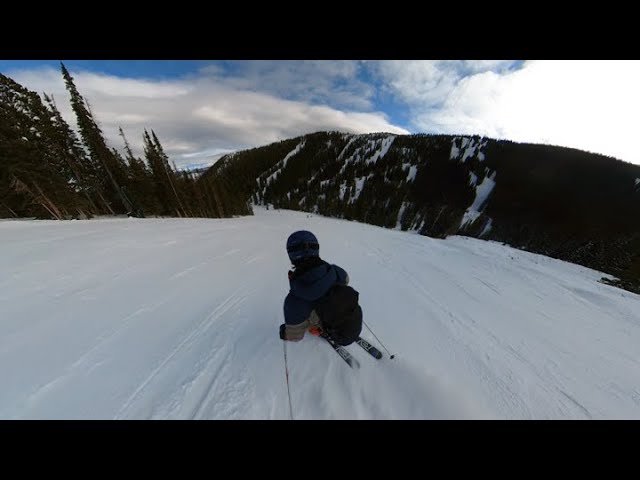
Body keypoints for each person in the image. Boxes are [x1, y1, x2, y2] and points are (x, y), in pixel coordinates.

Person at [279, 230, 362, 345]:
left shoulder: (294, 302)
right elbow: (346, 279)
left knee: (305, 315)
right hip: (354, 318)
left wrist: (285, 332)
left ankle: (319, 330)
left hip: (336, 334)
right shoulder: (336, 271)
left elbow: (295, 336)